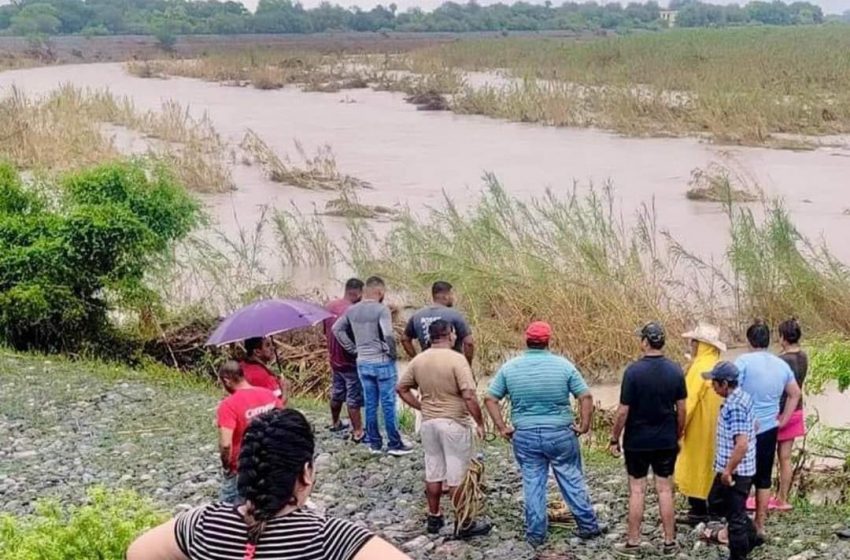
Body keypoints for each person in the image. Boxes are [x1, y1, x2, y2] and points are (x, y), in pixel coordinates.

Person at [127, 409, 411, 560]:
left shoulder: (203, 524)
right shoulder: (328, 539)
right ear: (306, 472)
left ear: (246, 470)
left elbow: (137, 552)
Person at [484, 321, 603, 546]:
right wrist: (584, 425)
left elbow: (490, 398)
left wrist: (502, 427)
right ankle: (588, 526)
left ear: (526, 340)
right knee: (571, 477)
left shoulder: (510, 367)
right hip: (560, 433)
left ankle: (536, 533)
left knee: (533, 481)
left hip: (525, 434)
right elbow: (585, 397)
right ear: (548, 341)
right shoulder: (563, 365)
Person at [396, 320, 491, 538]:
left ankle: (434, 516)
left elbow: (401, 388)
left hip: (429, 423)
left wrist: (420, 406)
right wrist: (480, 422)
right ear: (450, 335)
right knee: (457, 474)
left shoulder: (419, 360)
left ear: (430, 337)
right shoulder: (457, 360)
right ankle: (464, 522)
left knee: (433, 470)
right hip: (454, 422)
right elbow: (468, 394)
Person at [609, 322, 686, 557]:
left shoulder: (633, 372)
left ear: (645, 342)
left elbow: (623, 411)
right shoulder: (675, 370)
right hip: (665, 440)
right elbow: (682, 409)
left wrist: (615, 437)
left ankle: (633, 542)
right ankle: (669, 542)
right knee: (665, 490)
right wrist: (678, 434)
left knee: (637, 491)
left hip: (637, 441)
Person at [734, 320, 801, 538]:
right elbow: (795, 393)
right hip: (770, 427)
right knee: (763, 476)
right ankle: (760, 525)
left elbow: (732, 391)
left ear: (749, 340)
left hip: (746, 428)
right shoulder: (780, 364)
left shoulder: (742, 361)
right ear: (769, 341)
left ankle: (739, 522)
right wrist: (784, 419)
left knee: (741, 475)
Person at [333, 276, 413, 456]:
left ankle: (375, 444)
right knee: (388, 403)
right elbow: (388, 335)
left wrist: (353, 349)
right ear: (380, 292)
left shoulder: (352, 310)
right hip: (382, 363)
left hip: (363, 363)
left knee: (370, 403)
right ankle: (394, 443)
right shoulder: (381, 309)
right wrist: (392, 354)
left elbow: (336, 329)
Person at [703, 361, 760, 560]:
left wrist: (728, 471)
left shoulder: (734, 406)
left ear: (725, 384)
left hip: (736, 470)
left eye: (715, 384)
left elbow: (742, 443)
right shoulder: (744, 397)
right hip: (739, 465)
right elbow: (756, 425)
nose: (713, 387)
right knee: (716, 501)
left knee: (735, 518)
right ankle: (753, 535)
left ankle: (739, 555)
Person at [675, 323, 726, 525]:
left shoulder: (699, 368)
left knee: (696, 464)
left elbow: (688, 401)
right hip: (719, 426)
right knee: (714, 463)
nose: (691, 346)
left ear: (701, 344)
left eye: (693, 342)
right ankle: (717, 506)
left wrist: (679, 427)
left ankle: (698, 508)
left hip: (699, 426)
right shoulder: (719, 365)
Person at [214, 361, 282, 503]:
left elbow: (226, 445)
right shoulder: (269, 395)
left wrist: (227, 467)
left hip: (243, 467)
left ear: (226, 380)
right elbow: (284, 422)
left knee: (227, 509)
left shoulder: (228, 405)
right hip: (272, 461)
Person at [324, 278, 365, 443]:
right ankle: (358, 431)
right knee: (353, 397)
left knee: (337, 392)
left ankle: (335, 422)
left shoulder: (330, 307)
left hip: (334, 359)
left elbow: (325, 332)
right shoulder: (354, 311)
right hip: (350, 361)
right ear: (357, 292)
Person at [774, 318, 807, 511]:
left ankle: (761, 495)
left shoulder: (781, 361)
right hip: (796, 410)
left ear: (783, 337)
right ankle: (782, 498)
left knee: (766, 457)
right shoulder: (803, 356)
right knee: (785, 458)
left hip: (778, 412)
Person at [402, 281, 475, 365]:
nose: (453, 298)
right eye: (452, 294)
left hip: (427, 365)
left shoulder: (417, 316)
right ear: (446, 296)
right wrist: (467, 366)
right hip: (452, 366)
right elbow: (469, 343)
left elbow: (405, 339)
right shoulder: (455, 315)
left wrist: (416, 358)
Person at [241, 337, 287, 404]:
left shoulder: (240, 367)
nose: (272, 348)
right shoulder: (264, 376)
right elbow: (279, 405)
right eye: (267, 345)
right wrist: (284, 389)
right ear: (257, 352)